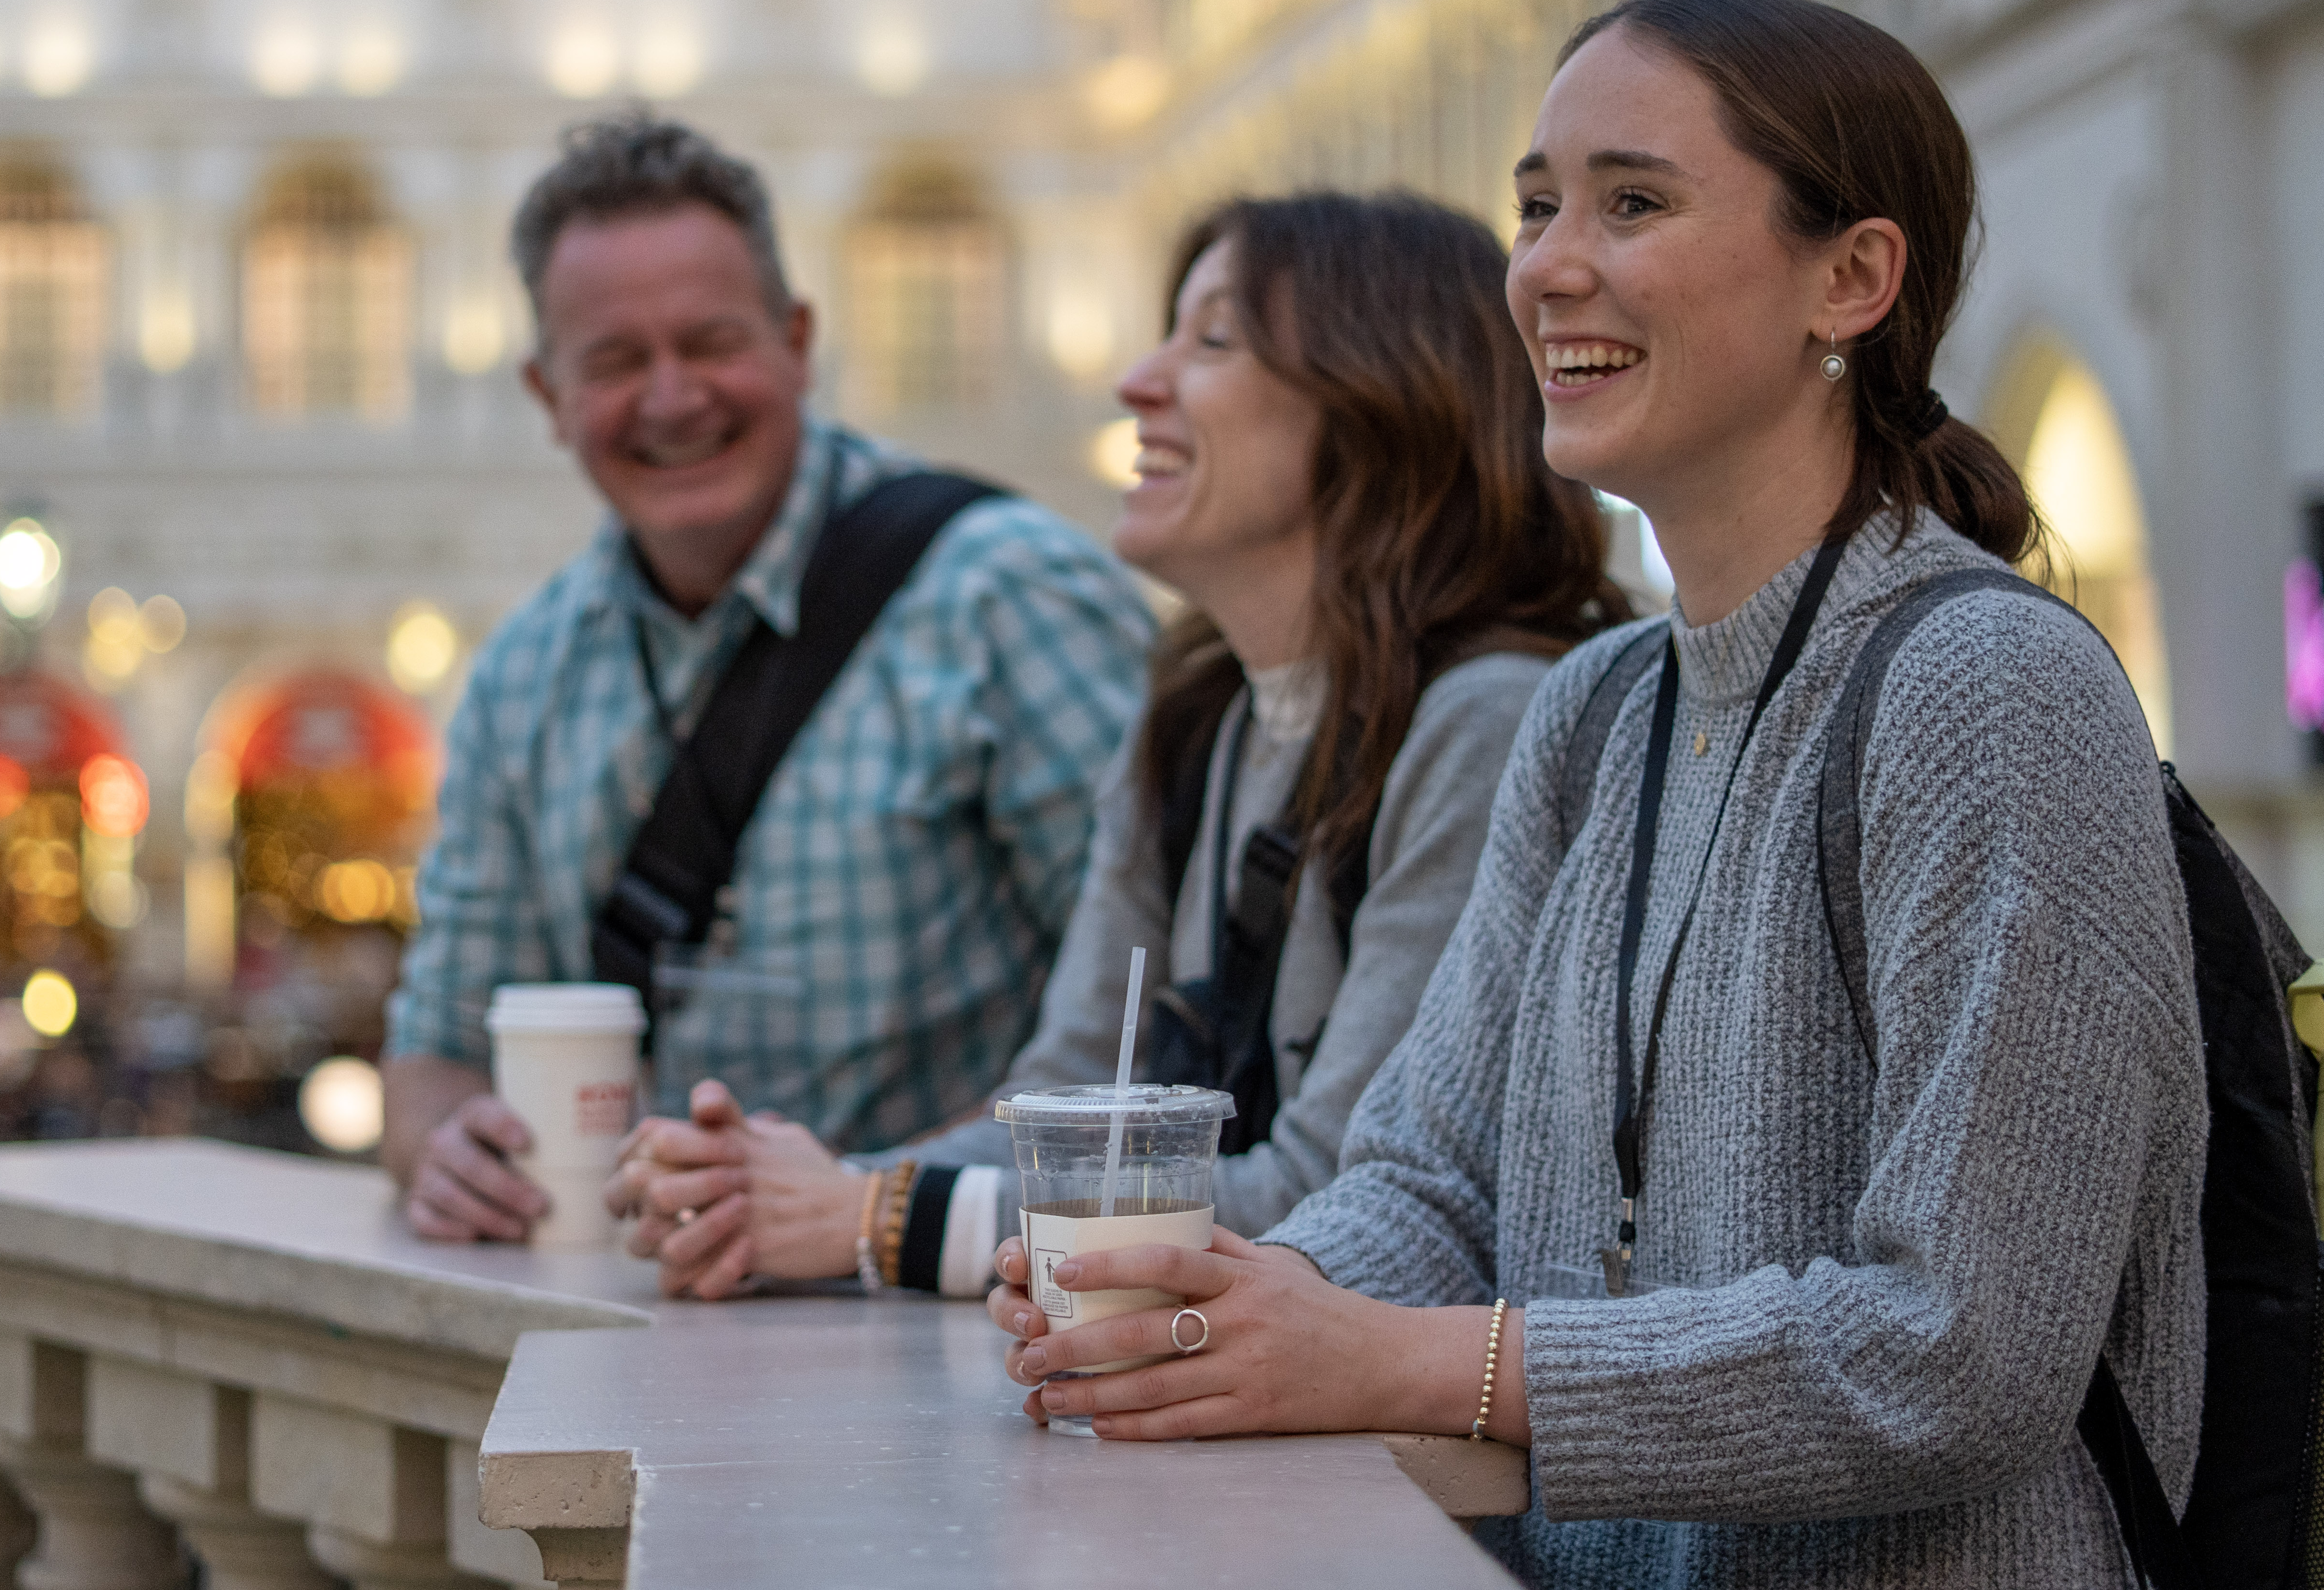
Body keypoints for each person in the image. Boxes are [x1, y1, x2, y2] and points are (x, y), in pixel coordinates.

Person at [991, 0, 2205, 1588]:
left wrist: (1419, 1364)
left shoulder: (1986, 688)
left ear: (1849, 278)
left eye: (1630, 202)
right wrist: (1205, 1312)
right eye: (1534, 204)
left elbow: (1953, 1349)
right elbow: (1430, 1177)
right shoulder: (1594, 707)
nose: (1548, 263)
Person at [612, 191, 1623, 1299]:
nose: (1139, 382)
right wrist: (768, 1190)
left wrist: (875, 1213)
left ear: (1384, 393)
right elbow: (1068, 1101)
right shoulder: (1196, 724)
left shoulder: (1491, 721)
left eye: (1215, 340)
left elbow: (1347, 1195)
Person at [382, 113, 1155, 1241]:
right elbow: (435, 1049)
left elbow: (1153, 1032)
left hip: (975, 1334)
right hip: (657, 1331)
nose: (671, 396)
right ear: (547, 395)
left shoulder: (1011, 599)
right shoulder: (521, 677)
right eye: (614, 361)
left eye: (710, 342)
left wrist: (849, 1215)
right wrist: (444, 1151)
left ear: (797, 340)